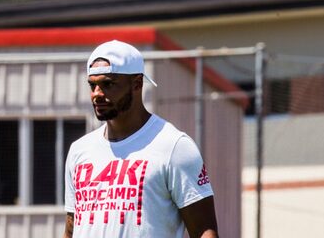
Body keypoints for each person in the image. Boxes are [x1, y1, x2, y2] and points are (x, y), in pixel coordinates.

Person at [62, 40, 218, 238]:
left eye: (108, 84)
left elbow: (204, 231)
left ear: (137, 83)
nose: (97, 94)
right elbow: (71, 228)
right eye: (93, 85)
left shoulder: (174, 146)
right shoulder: (79, 150)